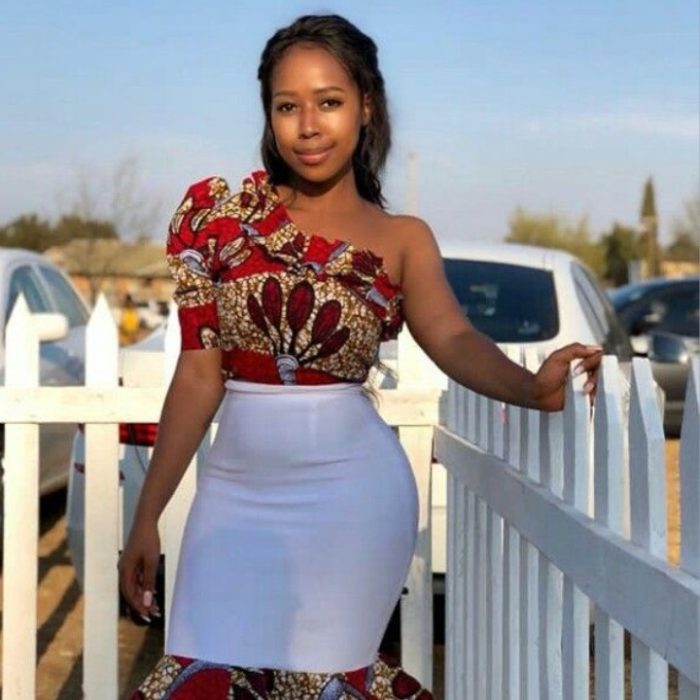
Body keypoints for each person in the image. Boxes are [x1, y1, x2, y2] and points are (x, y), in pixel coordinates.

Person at [119, 14, 603, 699]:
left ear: (366, 106)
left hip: (351, 498)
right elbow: (198, 378)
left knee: (327, 680)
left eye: (329, 102)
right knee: (204, 671)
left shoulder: (402, 238)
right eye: (287, 106)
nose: (308, 126)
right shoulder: (219, 224)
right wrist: (147, 516)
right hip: (231, 501)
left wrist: (533, 388)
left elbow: (453, 337)